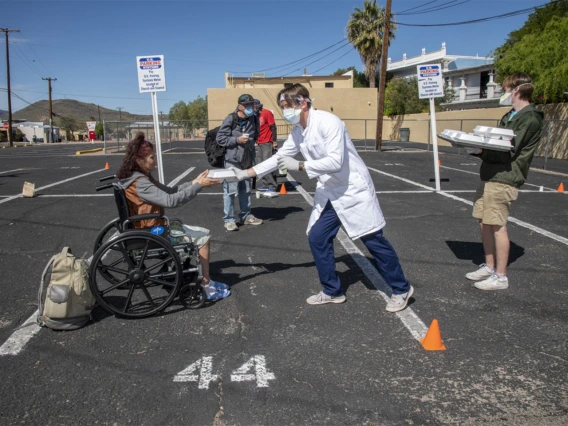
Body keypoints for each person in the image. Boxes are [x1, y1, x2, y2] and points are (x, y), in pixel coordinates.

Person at [230, 84, 413, 312]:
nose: (284, 111)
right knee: (318, 237)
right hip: (330, 192)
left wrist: (300, 165)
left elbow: (336, 161)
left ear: (302, 102)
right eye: (282, 107)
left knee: (372, 239)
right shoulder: (298, 131)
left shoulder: (329, 122)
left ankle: (401, 288)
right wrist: (247, 173)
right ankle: (332, 291)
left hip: (352, 189)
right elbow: (278, 158)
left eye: (287, 106)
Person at [116, 132, 231, 301]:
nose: (154, 160)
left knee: (192, 230)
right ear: (138, 161)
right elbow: (171, 200)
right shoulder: (141, 183)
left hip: (146, 228)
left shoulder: (137, 178)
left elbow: (169, 191)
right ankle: (206, 284)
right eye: (151, 157)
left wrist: (194, 182)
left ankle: (194, 276)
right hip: (152, 234)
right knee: (204, 237)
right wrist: (198, 186)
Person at [465, 73, 544, 290]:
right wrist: (478, 148)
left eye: (506, 88)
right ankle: (490, 267)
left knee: (497, 225)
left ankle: (501, 276)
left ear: (517, 90)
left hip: (505, 177)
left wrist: (480, 150)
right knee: (484, 221)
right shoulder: (510, 115)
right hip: (490, 174)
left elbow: (509, 150)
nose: (504, 93)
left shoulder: (529, 118)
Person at [216, 94, 263, 231]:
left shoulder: (254, 118)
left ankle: (246, 216)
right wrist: (237, 140)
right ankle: (229, 220)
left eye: (252, 105)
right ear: (240, 106)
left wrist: (250, 147)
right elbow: (220, 138)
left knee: (246, 190)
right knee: (230, 191)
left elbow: (256, 135)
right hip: (232, 161)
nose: (251, 108)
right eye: (247, 105)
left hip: (247, 160)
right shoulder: (231, 118)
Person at [254, 99, 278, 193]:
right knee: (260, 164)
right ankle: (265, 183)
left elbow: (273, 126)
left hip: (267, 141)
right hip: (259, 142)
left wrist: (274, 141)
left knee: (267, 163)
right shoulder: (255, 116)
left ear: (258, 106)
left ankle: (272, 185)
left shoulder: (266, 113)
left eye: (254, 107)